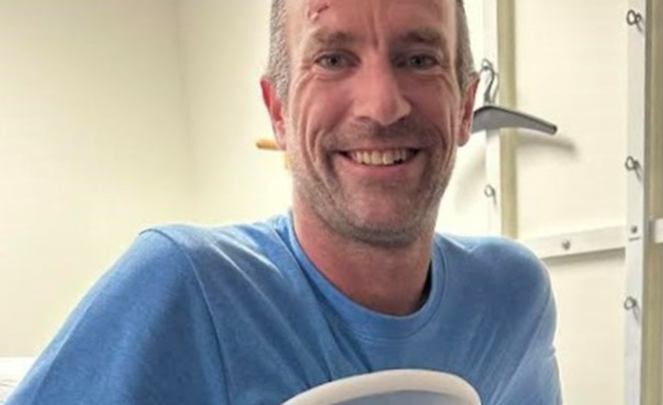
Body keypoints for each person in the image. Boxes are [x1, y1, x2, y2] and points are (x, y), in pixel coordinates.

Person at [7, 0, 562, 403]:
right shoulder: (185, 287)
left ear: (465, 106)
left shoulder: (511, 298)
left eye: (419, 59)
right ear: (278, 111)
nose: (381, 106)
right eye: (333, 59)